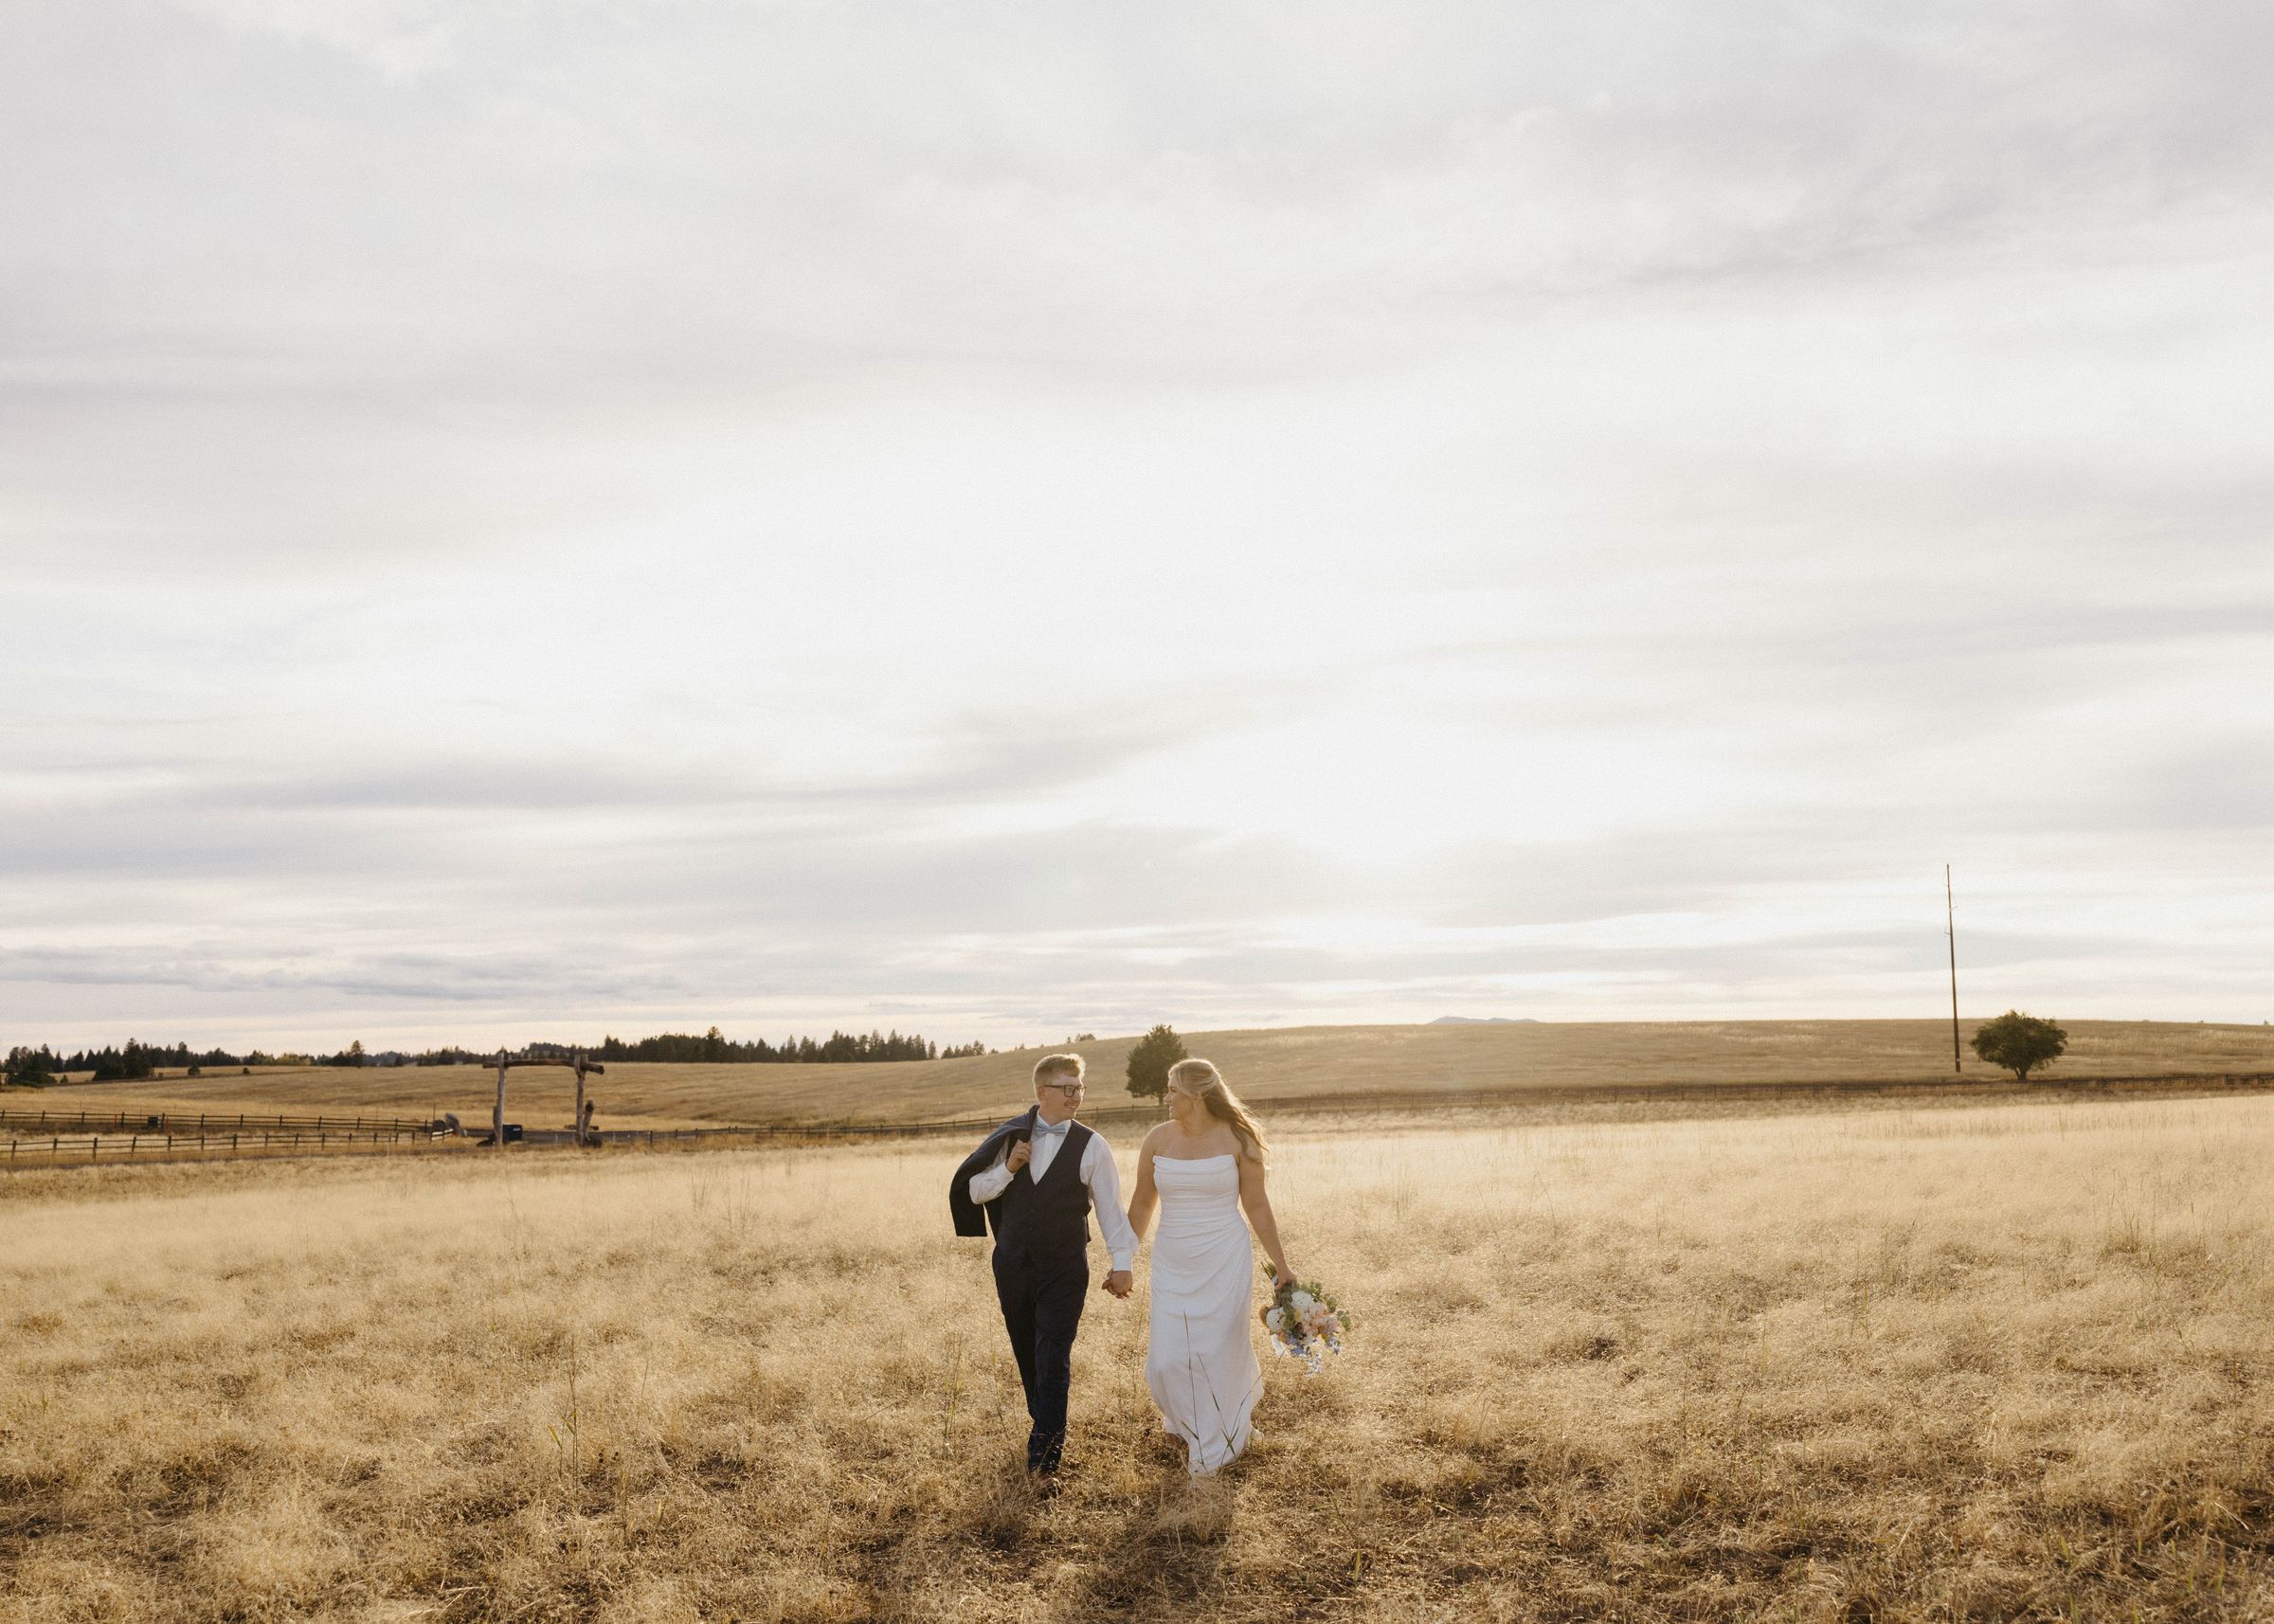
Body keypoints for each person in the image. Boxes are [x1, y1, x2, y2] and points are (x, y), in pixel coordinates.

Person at [948, 1053, 1137, 1488]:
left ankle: (1043, 1459)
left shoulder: (1093, 1145)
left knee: (1054, 1355)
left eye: (1080, 1088)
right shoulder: (1009, 1136)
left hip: (1065, 1267)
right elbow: (975, 1191)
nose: (1076, 1097)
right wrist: (1009, 1168)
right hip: (1012, 1265)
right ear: (1042, 1093)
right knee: (1027, 1352)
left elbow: (1110, 1209)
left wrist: (1122, 1262)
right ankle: (1045, 1423)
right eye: (1067, 1088)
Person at [1125, 1057, 1288, 1476]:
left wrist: (1282, 1266)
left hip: (1224, 1257)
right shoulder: (1157, 1140)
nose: (1167, 1097)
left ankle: (1213, 1447)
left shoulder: (1239, 1139)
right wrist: (1122, 1258)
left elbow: (1256, 1205)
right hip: (1173, 1258)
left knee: (1217, 1351)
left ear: (1196, 1095)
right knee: (1165, 1360)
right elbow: (1142, 1202)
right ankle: (1199, 1424)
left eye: (1173, 1089)